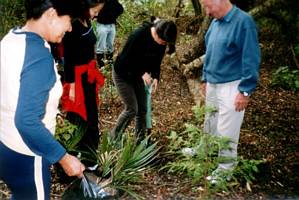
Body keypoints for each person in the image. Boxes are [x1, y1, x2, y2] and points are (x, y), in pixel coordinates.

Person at [0, 0, 85, 199]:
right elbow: (27, 120)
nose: (70, 28)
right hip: (28, 154)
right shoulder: (38, 56)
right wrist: (64, 158)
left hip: (5, 144)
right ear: (51, 14)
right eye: (69, 20)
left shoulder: (11, 39)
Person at [200, 0, 261, 183]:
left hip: (232, 85)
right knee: (210, 119)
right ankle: (205, 150)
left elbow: (251, 57)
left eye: (208, 6)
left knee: (227, 129)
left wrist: (245, 91)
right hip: (213, 82)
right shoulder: (215, 22)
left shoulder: (244, 22)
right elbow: (209, 51)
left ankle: (225, 168)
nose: (207, 11)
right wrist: (205, 77)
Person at [111, 18, 177, 141]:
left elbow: (157, 61)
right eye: (162, 41)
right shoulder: (139, 35)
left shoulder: (162, 41)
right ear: (156, 32)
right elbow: (125, 60)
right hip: (123, 74)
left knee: (142, 109)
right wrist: (142, 73)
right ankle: (114, 137)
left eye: (165, 43)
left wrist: (156, 76)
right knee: (132, 109)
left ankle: (140, 141)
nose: (163, 44)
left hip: (138, 77)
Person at [61, 0, 105, 162]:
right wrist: (71, 86)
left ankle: (89, 158)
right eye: (95, 10)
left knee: (92, 117)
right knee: (77, 118)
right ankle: (67, 158)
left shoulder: (86, 21)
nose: (97, 14)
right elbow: (69, 59)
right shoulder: (72, 25)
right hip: (77, 79)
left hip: (88, 75)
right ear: (85, 7)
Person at [95, 0, 124, 68]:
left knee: (110, 46)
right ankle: (101, 67)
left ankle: (110, 64)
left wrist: (114, 16)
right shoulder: (100, 1)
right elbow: (95, 9)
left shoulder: (114, 1)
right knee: (100, 47)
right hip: (102, 25)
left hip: (111, 26)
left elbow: (121, 9)